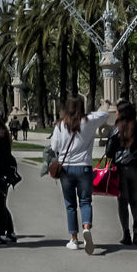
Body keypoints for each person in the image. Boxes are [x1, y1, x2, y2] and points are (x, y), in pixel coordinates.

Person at [47, 96, 114, 254]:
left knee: (70, 204)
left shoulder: (60, 125)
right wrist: (91, 112)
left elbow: (54, 146)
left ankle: (74, 239)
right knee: (85, 201)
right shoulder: (89, 121)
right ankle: (86, 228)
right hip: (84, 167)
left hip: (66, 169)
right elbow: (105, 115)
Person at [105, 101, 137, 247]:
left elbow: (108, 152)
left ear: (120, 113)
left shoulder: (116, 130)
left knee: (122, 201)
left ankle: (126, 233)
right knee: (135, 200)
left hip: (120, 169)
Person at [0, 120, 19, 245]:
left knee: (0, 206)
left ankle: (1, 234)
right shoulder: (5, 138)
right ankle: (10, 232)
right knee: (1, 205)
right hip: (4, 175)